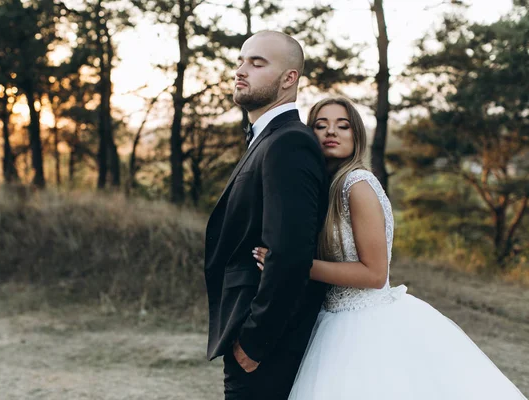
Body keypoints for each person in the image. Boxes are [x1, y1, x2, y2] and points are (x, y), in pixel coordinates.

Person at [252, 96, 528, 399]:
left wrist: (293, 265)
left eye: (342, 126)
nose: (331, 132)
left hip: (364, 325)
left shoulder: (356, 185)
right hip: (331, 319)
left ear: (357, 136)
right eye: (321, 125)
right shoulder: (326, 187)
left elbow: (374, 273)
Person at [204, 31, 330, 399]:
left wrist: (255, 341)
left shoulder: (289, 141)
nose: (241, 70)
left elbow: (290, 253)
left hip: (267, 344)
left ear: (289, 79)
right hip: (252, 332)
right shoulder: (267, 137)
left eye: (258, 63)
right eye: (241, 61)